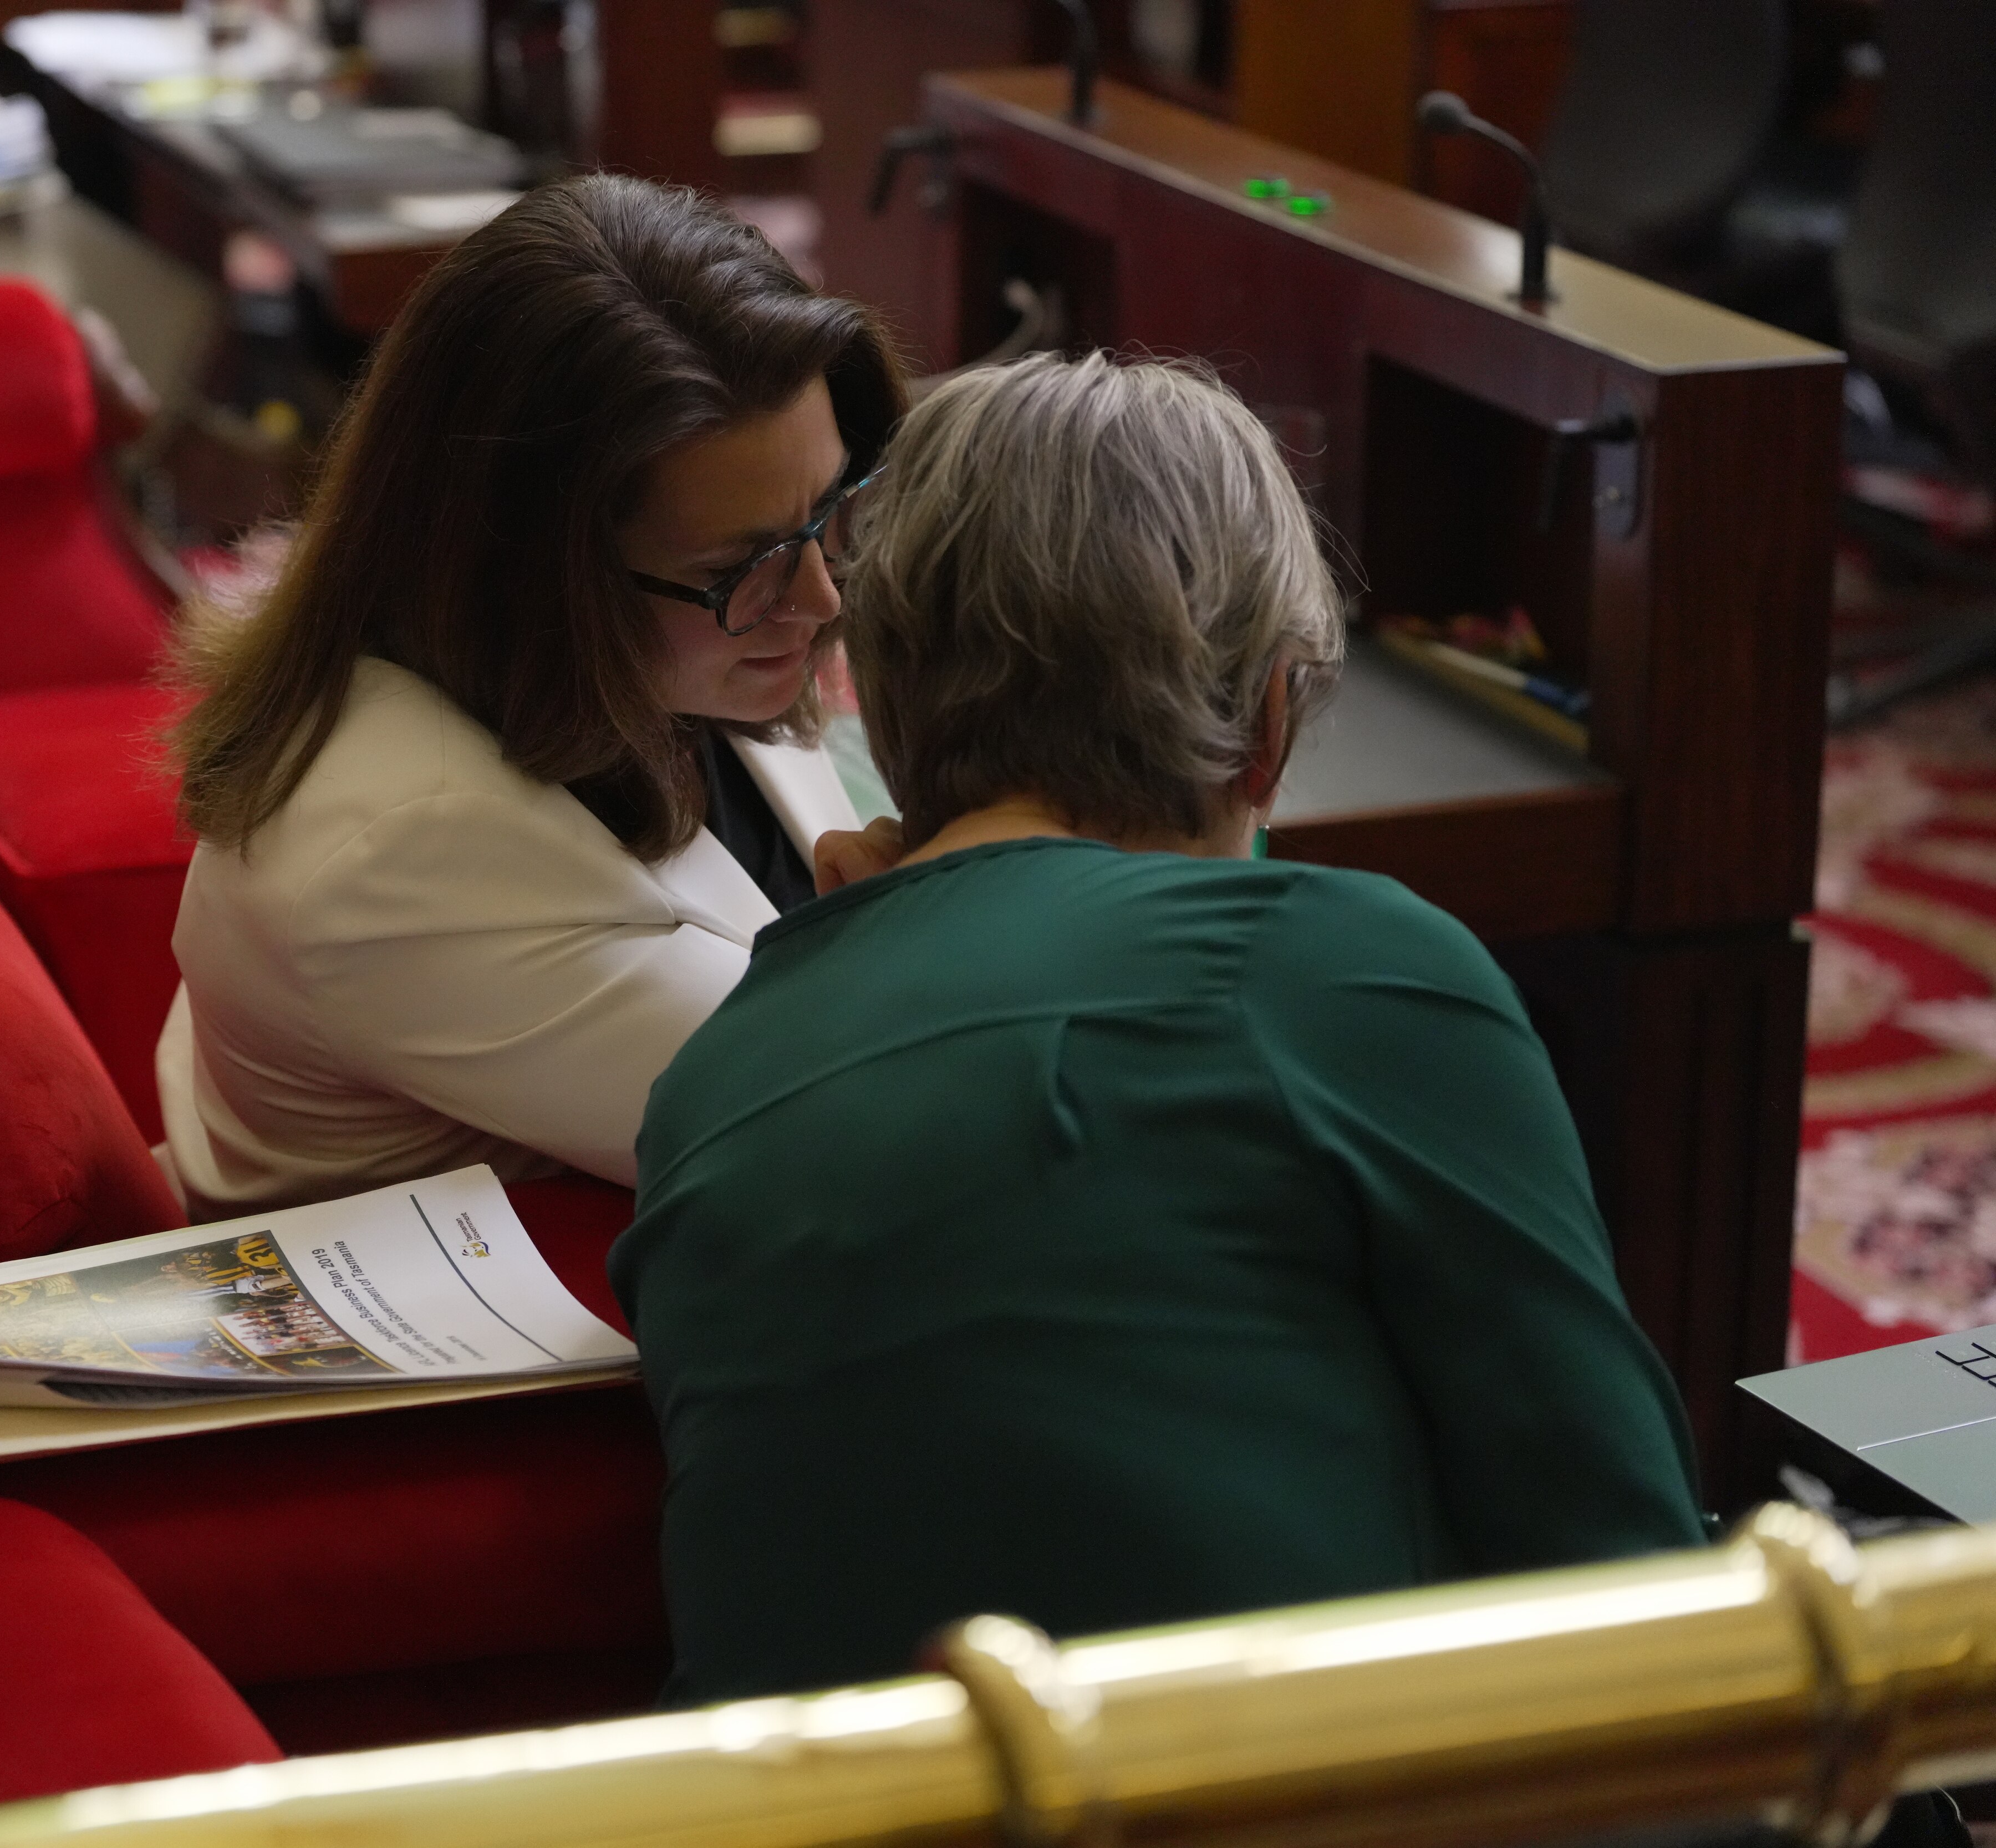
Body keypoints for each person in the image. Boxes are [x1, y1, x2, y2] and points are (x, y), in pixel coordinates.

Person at [610, 350, 1708, 1707]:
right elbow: (1636, 1579)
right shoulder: (1337, 969)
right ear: (1266, 722)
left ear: (884, 714)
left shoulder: (708, 1079)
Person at [159, 175, 900, 1215]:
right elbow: (874, 1137)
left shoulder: (654, 642)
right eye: (748, 564)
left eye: (829, 510)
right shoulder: (403, 851)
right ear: (532, 578)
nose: (820, 596)